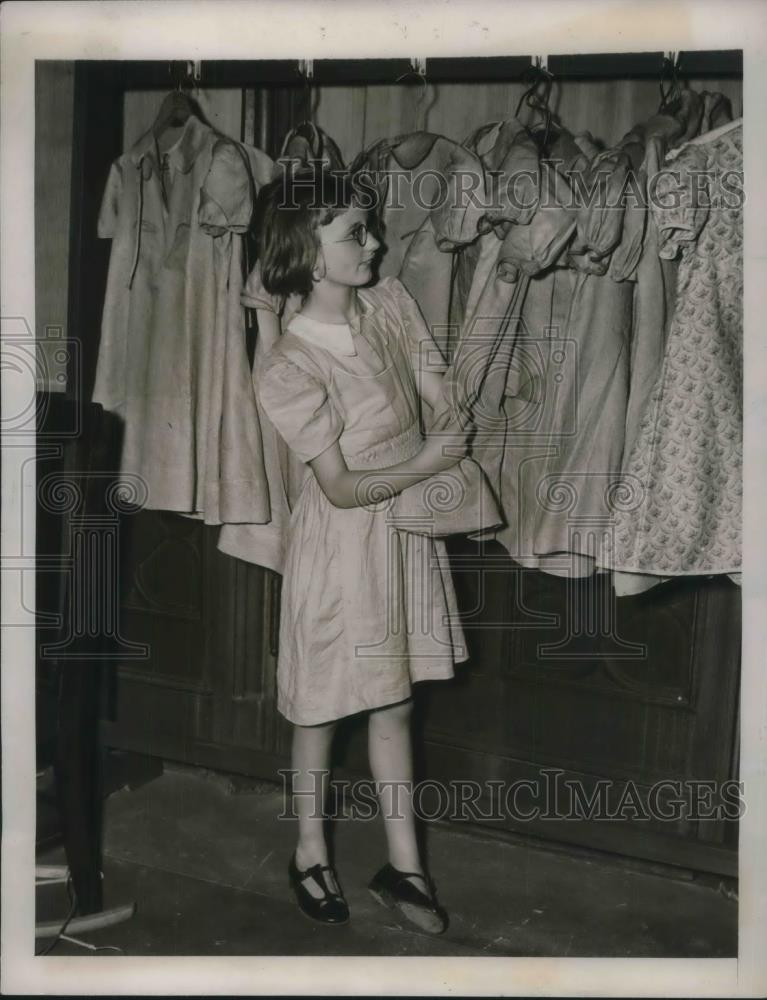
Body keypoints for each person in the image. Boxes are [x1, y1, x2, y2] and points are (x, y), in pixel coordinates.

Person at [253, 167, 473, 935]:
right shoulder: (288, 365)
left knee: (395, 698)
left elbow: (424, 368)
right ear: (307, 255)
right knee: (320, 707)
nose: (375, 241)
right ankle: (310, 851)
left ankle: (405, 868)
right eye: (355, 233)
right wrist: (431, 462)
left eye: (369, 226)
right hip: (344, 542)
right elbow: (342, 488)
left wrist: (445, 405)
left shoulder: (386, 299)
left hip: (403, 534)